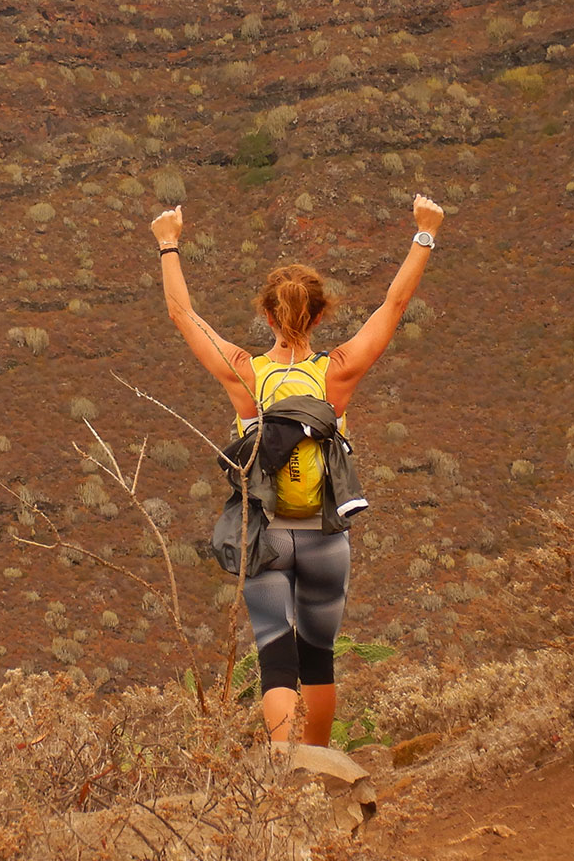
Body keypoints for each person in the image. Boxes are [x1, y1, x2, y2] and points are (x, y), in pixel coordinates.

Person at [150, 193, 445, 744]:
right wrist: (423, 233)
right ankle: (319, 766)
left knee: (274, 648)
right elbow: (394, 306)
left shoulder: (246, 373)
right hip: (326, 535)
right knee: (318, 654)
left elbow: (181, 314)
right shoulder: (338, 371)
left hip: (264, 534)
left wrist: (168, 242)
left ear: (266, 315)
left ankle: (283, 768)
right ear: (320, 315)